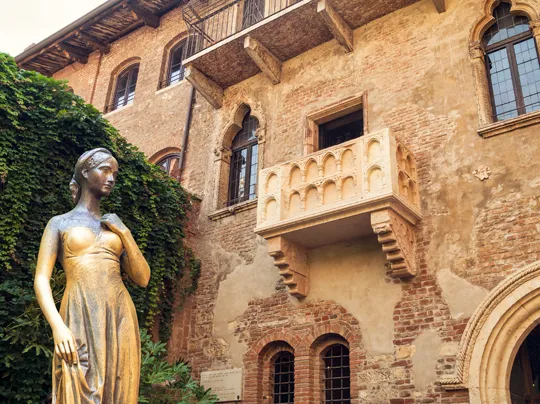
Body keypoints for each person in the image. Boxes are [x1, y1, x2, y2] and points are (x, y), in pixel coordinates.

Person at [34, 148, 150, 403]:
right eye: (105, 170)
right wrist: (57, 327)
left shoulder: (114, 226)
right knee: (78, 381)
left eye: (115, 174)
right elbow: (41, 278)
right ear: (85, 172)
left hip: (119, 313)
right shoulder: (59, 223)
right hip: (80, 309)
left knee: (119, 388)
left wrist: (125, 233)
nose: (111, 178)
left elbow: (142, 278)